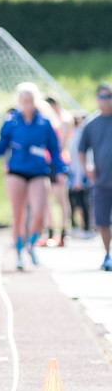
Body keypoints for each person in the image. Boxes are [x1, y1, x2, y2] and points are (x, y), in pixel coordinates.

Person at [0, 82, 67, 270]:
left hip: (38, 172)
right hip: (16, 172)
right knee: (18, 215)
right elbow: (0, 147)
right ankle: (19, 252)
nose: (27, 104)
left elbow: (55, 150)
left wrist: (61, 171)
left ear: (35, 101)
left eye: (30, 101)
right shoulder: (11, 122)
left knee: (39, 213)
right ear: (19, 101)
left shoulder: (44, 123)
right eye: (24, 101)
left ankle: (32, 243)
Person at [78, 82, 112, 271]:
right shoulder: (92, 124)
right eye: (102, 97)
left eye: (109, 97)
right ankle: (107, 254)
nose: (105, 101)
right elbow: (81, 149)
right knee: (102, 221)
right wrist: (86, 168)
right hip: (102, 182)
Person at [40, 94, 73, 247]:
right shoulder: (46, 120)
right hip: (46, 162)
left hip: (59, 162)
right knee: (46, 199)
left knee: (61, 199)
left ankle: (64, 234)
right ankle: (51, 232)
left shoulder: (63, 118)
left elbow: (60, 143)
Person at [68, 112, 92, 235]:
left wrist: (78, 177)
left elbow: (82, 156)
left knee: (83, 202)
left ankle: (86, 227)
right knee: (76, 202)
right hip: (75, 173)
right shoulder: (75, 134)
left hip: (81, 174)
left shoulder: (82, 135)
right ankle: (80, 226)